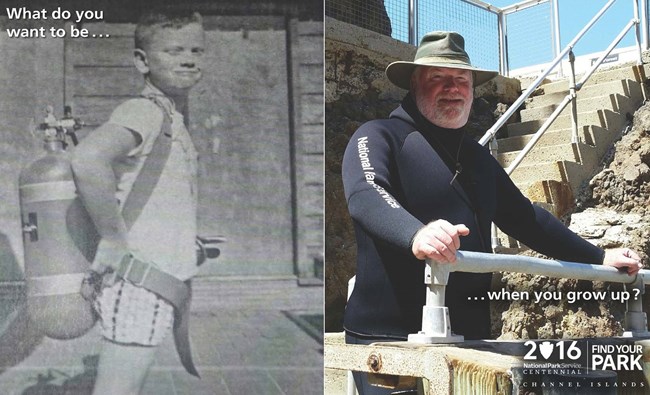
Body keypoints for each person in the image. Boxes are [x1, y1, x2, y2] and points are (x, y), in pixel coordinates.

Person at [341, 31, 643, 395]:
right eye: (438, 77)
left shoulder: (477, 158)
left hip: (470, 343)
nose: (452, 87)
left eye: (461, 80)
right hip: (388, 344)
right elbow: (366, 192)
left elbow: (526, 219)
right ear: (415, 83)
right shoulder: (378, 135)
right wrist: (417, 234)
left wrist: (599, 256)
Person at [71, 9, 205, 395]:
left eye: (197, 49)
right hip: (139, 281)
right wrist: (113, 238)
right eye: (174, 49)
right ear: (142, 61)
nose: (189, 58)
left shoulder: (169, 116)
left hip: (155, 279)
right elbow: (87, 158)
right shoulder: (143, 111)